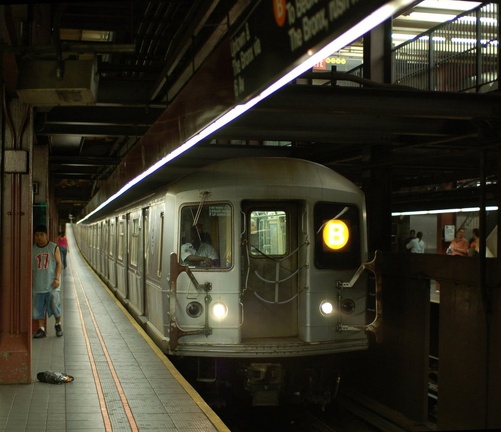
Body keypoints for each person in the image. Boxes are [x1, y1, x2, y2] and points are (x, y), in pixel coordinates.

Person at [32, 225, 63, 338]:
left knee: (55, 305)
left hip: (51, 284)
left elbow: (59, 263)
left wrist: (57, 278)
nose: (39, 237)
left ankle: (58, 324)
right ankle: (41, 329)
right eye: (36, 235)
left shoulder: (54, 247)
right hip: (38, 284)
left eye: (41, 235)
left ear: (46, 235)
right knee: (38, 308)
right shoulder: (33, 249)